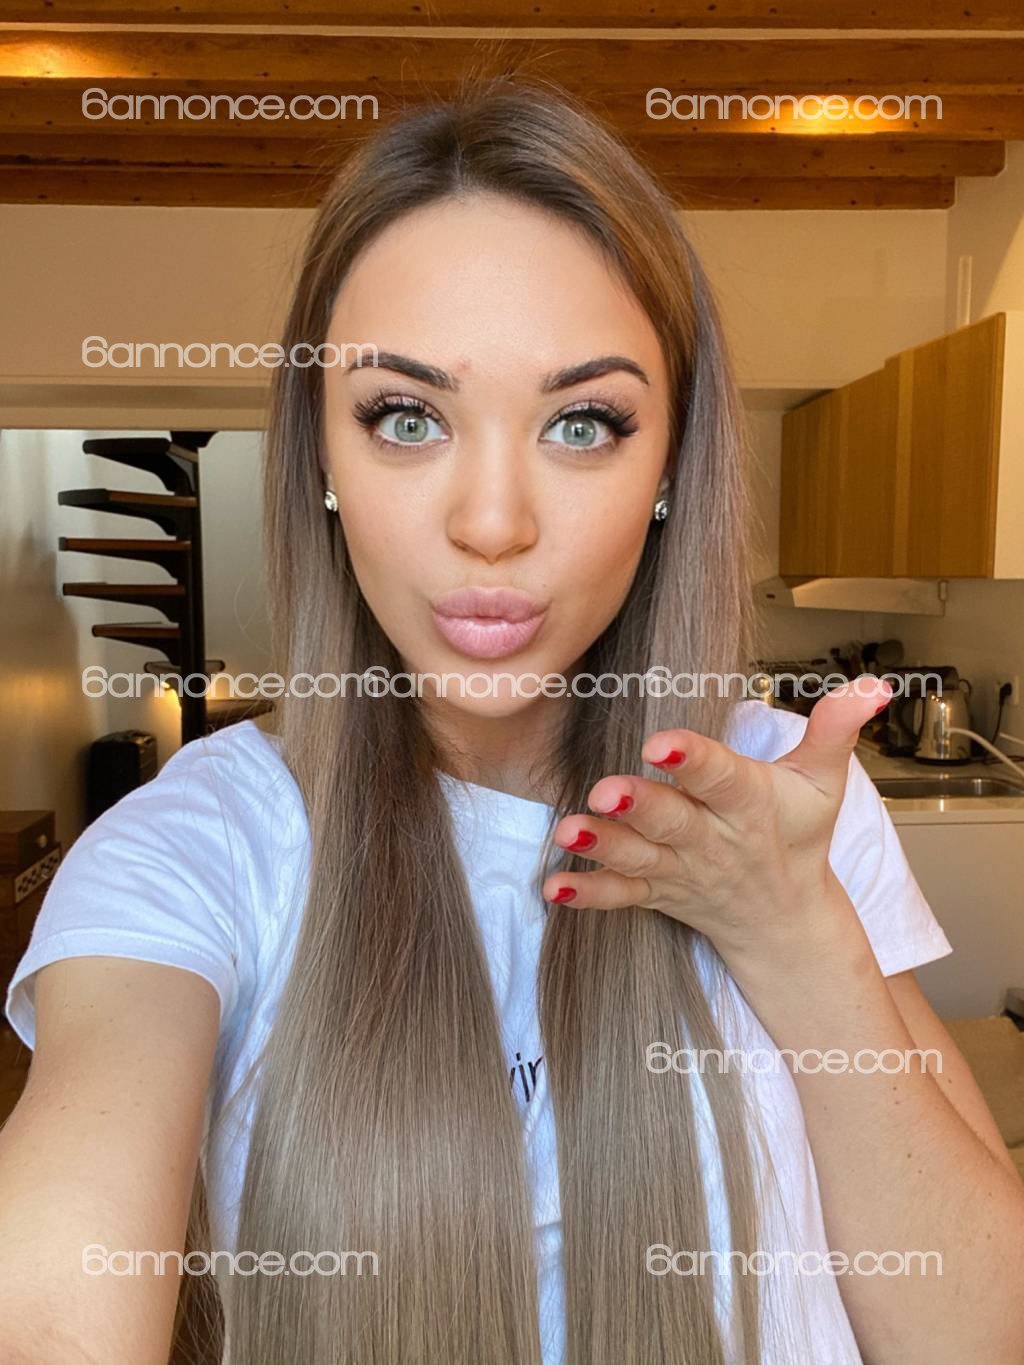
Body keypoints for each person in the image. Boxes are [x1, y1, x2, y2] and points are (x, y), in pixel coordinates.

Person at [2, 78, 1022, 1365]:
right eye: (406, 418)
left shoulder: (772, 792)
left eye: (582, 423)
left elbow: (981, 1332)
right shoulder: (197, 850)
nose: (492, 523)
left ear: (669, 468)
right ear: (321, 457)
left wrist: (795, 933)